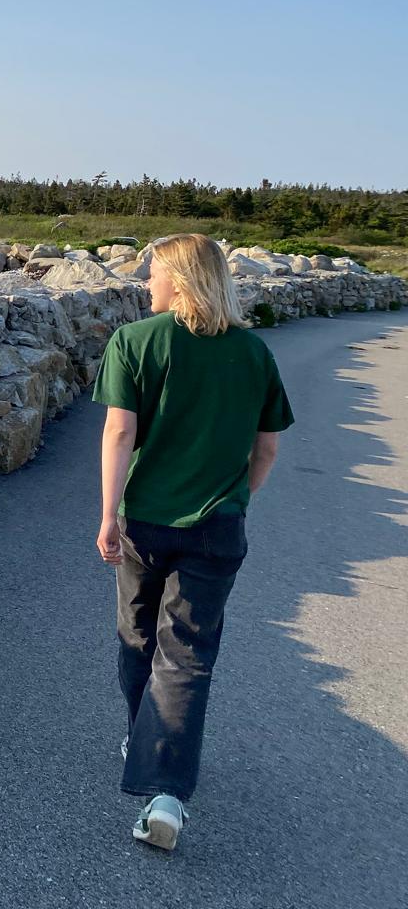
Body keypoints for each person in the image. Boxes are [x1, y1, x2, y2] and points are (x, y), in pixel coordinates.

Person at [92, 233, 294, 850]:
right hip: (217, 526)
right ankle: (161, 778)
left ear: (179, 279)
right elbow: (267, 448)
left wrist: (108, 516)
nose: (146, 283)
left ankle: (152, 761)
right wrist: (234, 500)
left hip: (146, 523)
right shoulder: (254, 352)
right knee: (185, 653)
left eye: (153, 273)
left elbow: (119, 434)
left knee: (137, 636)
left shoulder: (134, 342)